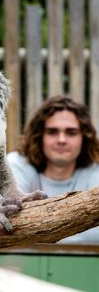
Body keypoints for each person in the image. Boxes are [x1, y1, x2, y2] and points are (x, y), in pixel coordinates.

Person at [7, 95, 99, 242]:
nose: (61, 140)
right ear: (39, 135)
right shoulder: (17, 164)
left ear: (84, 137)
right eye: (52, 132)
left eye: (71, 132)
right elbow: (14, 221)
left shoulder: (95, 171)